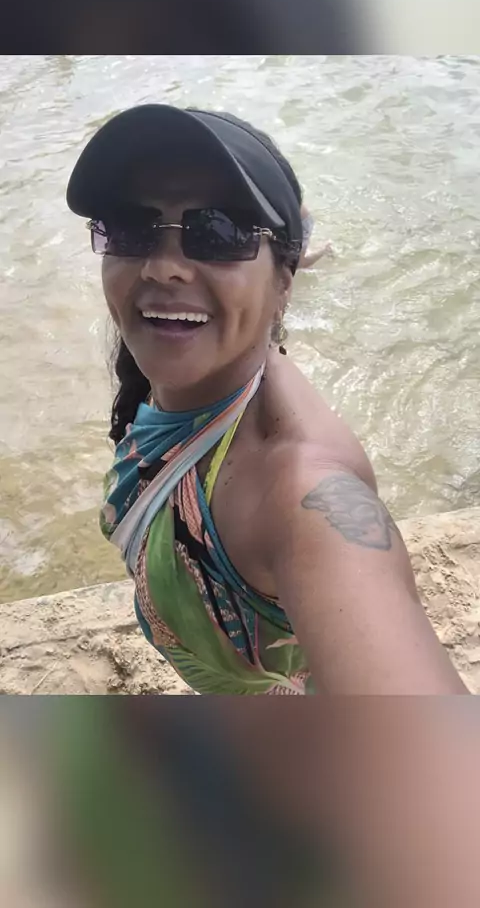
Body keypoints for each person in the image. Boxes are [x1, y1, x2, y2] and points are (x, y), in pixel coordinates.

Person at [66, 104, 466, 695]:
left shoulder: (302, 497)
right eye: (129, 227)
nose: (162, 266)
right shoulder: (193, 372)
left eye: (219, 233)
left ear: (284, 280)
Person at [298, 203, 334, 269]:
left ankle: (326, 249)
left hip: (300, 221)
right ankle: (304, 251)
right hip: (289, 219)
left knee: (299, 264)